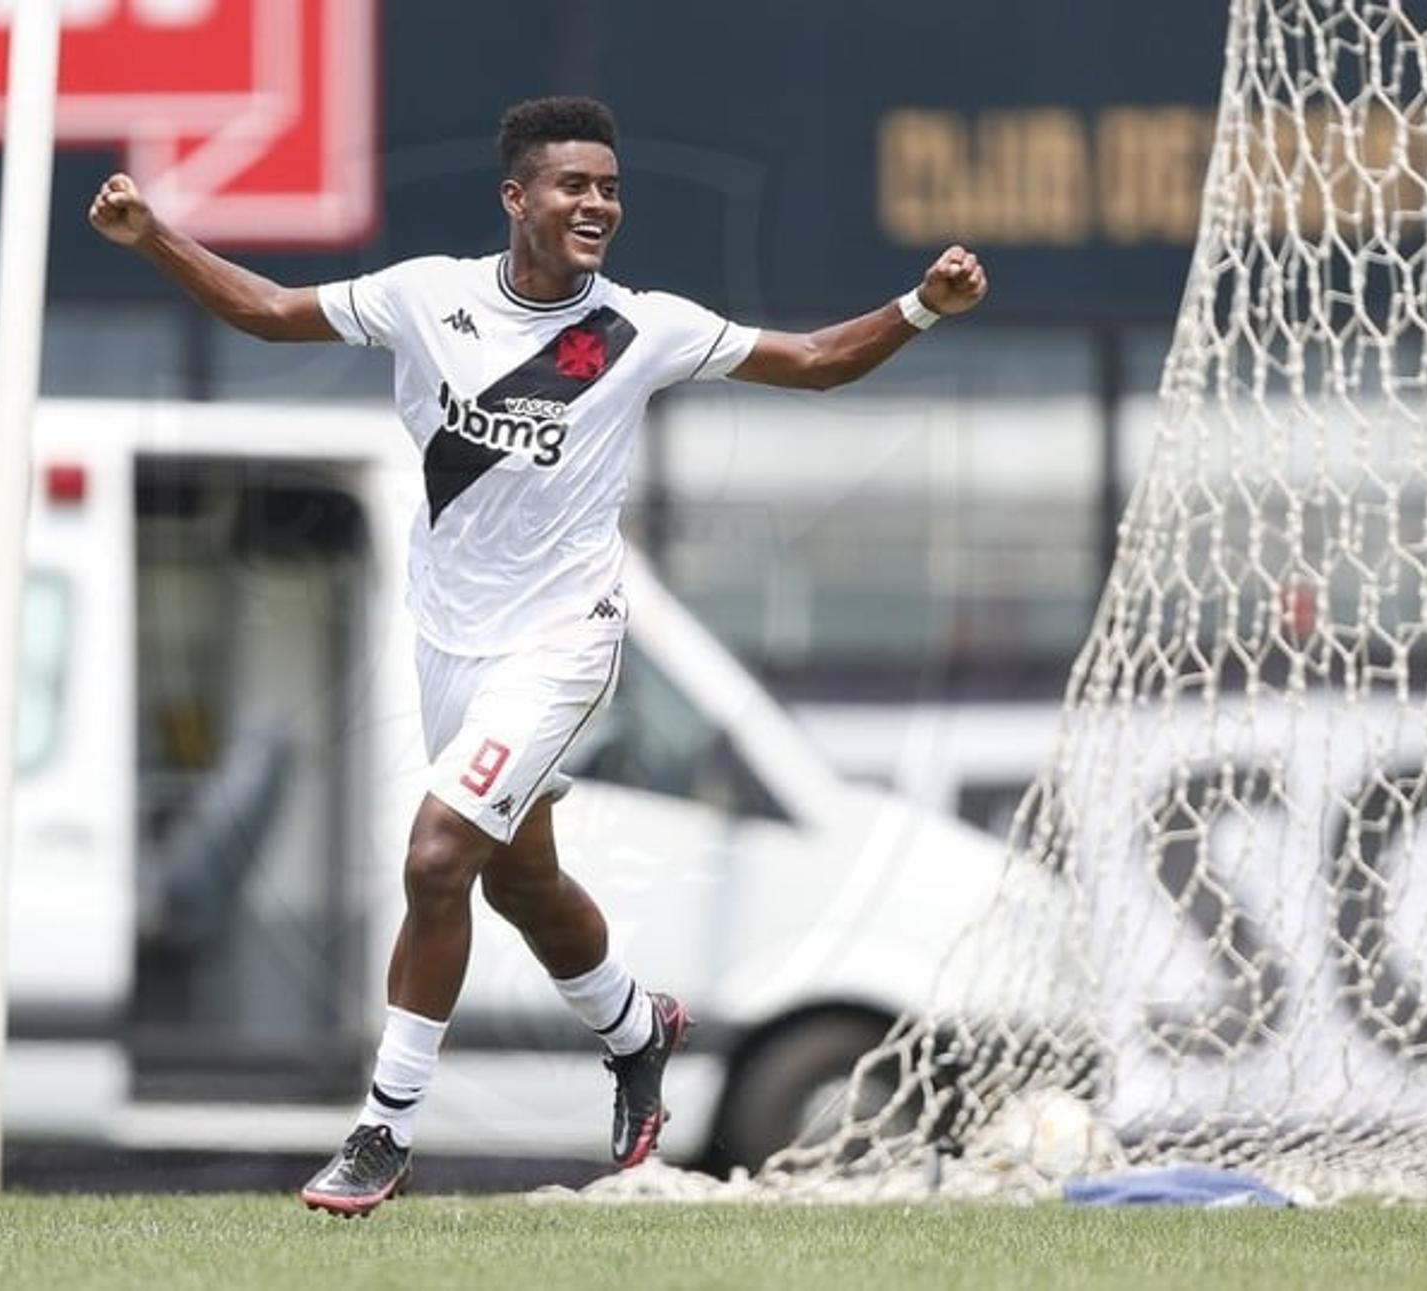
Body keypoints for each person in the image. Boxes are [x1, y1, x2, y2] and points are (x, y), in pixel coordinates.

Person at [89, 95, 987, 1217]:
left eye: (609, 188)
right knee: (517, 879)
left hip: (564, 642)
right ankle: (635, 1024)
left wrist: (920, 306)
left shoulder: (640, 326)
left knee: (433, 857)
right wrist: (153, 236)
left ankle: (386, 1125)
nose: (597, 204)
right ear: (517, 199)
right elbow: (272, 311)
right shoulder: (427, 298)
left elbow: (809, 359)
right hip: (446, 641)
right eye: (573, 186)